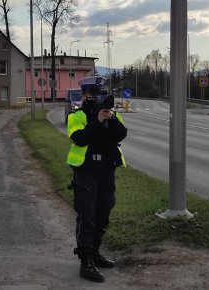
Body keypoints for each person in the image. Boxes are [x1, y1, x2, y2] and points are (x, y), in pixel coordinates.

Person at [66, 76, 127, 283]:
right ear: (84, 94)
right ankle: (85, 262)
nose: (95, 97)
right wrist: (97, 122)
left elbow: (122, 134)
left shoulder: (112, 114)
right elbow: (79, 138)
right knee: (87, 215)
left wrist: (108, 119)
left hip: (106, 170)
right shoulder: (77, 116)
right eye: (91, 93)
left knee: (104, 211)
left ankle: (95, 252)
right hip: (86, 170)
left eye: (98, 92)